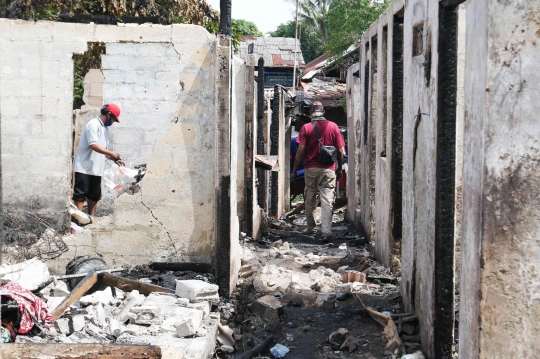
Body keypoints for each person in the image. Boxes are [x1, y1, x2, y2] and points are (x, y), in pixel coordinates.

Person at [291, 101, 345, 242]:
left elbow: (300, 152)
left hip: (311, 169)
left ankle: (311, 229)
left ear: (310, 113)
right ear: (324, 112)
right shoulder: (333, 127)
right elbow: (340, 150)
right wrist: (338, 168)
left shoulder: (306, 127)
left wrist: (294, 171)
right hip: (328, 169)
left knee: (310, 198)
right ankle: (326, 232)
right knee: (327, 201)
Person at [72, 103, 123, 216]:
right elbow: (93, 145)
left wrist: (113, 158)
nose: (113, 122)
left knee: (94, 194)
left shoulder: (105, 129)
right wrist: (110, 153)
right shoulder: (93, 124)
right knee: (80, 194)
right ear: (109, 114)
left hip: (96, 168)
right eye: (114, 119)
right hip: (84, 166)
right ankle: (77, 221)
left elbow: (103, 149)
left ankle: (91, 218)